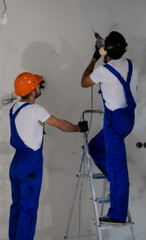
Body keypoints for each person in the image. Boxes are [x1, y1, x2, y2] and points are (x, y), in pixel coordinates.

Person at [9, 72, 88, 240]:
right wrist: (78, 128)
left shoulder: (14, 108)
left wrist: (34, 84)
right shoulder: (35, 110)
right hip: (30, 163)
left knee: (17, 206)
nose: (39, 87)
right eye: (37, 86)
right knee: (28, 209)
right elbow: (60, 124)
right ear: (32, 92)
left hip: (16, 164)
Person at [81, 31, 138, 224]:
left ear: (106, 51)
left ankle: (117, 215)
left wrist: (95, 58)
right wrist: (106, 55)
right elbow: (117, 72)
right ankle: (116, 182)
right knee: (95, 147)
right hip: (128, 118)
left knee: (118, 169)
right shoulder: (131, 65)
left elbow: (84, 82)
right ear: (125, 48)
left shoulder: (103, 71)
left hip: (114, 123)